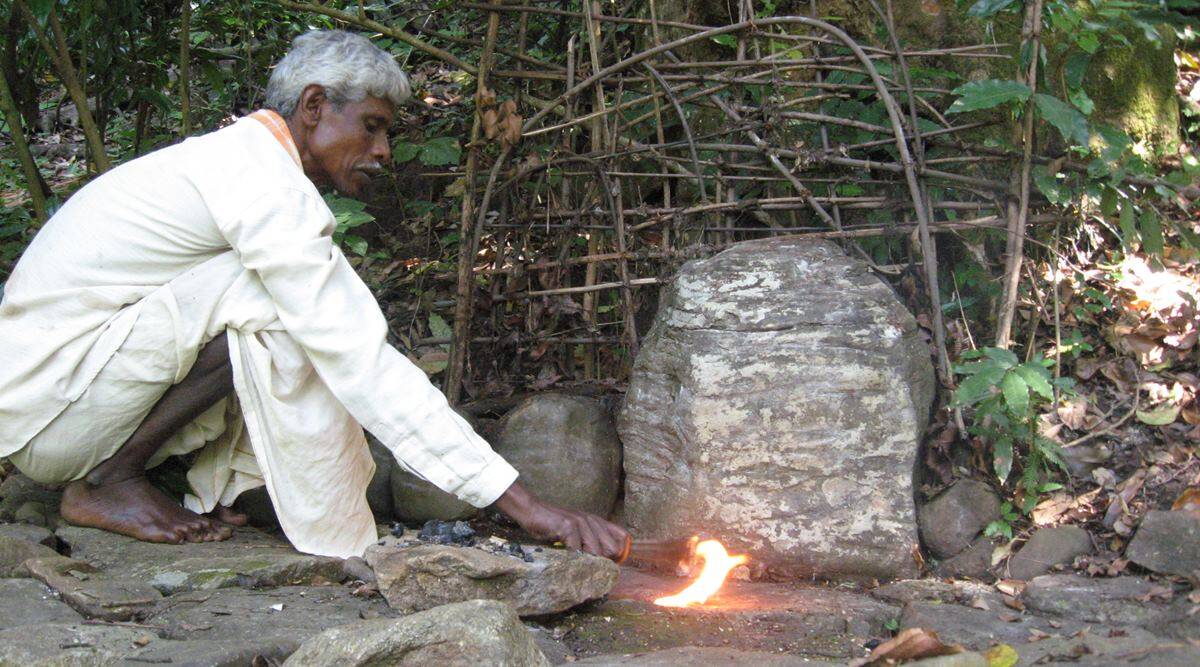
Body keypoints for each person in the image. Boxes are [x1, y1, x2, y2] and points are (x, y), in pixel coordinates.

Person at [0, 30, 628, 560]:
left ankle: (219, 489)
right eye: (374, 128)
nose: (383, 151)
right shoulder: (259, 180)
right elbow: (357, 354)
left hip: (56, 401)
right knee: (272, 299)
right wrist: (524, 504)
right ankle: (111, 479)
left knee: (280, 298)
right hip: (52, 414)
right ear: (314, 105)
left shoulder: (240, 164)